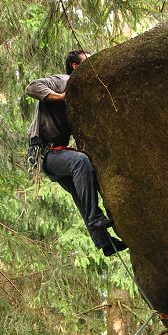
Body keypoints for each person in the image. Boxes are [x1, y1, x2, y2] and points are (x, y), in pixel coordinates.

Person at [26, 49, 127, 257]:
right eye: (88, 59)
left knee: (80, 192)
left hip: (54, 155)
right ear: (75, 66)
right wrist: (61, 96)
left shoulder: (81, 90)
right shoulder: (63, 81)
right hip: (46, 154)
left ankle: (104, 243)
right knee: (80, 162)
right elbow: (32, 87)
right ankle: (96, 218)